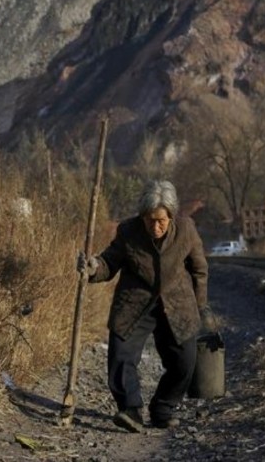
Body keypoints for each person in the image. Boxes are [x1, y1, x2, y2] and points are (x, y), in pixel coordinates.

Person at [77, 179, 212, 432]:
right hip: (135, 302)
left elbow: (199, 269)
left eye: (161, 220)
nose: (156, 226)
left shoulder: (186, 229)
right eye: (150, 220)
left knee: (184, 362)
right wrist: (93, 268)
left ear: (171, 216)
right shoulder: (129, 231)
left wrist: (200, 305)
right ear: (143, 216)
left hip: (177, 303)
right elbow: (109, 262)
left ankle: (162, 408)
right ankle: (130, 410)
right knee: (121, 356)